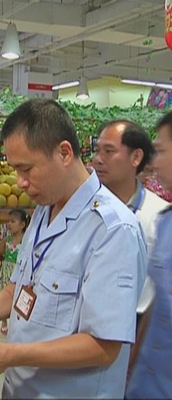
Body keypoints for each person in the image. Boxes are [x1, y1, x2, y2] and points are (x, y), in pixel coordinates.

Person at [0, 98, 147, 398]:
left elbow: (103, 346)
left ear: (64, 152)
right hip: (22, 387)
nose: (20, 182)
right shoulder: (43, 209)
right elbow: (21, 289)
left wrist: (9, 354)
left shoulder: (113, 230)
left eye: (27, 169)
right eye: (15, 170)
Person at [93, 120, 168, 316]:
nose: (98, 159)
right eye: (97, 150)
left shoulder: (158, 215)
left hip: (138, 322)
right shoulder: (85, 211)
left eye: (108, 151)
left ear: (136, 157)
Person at [126, 111, 172, 399]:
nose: (154, 163)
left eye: (162, 150)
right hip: (146, 386)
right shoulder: (165, 223)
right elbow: (158, 306)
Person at [0, 208, 28, 335]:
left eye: (13, 221)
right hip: (6, 271)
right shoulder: (7, 239)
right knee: (3, 294)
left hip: (18, 272)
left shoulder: (25, 241)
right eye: (9, 221)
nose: (9, 224)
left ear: (22, 225)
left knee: (17, 297)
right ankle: (4, 322)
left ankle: (17, 321)